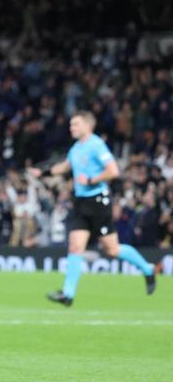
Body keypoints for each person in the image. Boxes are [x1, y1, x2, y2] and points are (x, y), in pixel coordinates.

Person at [30, 111, 157, 306]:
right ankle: (68, 294)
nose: (71, 128)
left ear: (87, 126)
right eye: (71, 125)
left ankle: (147, 270)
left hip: (98, 201)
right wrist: (43, 172)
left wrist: (91, 180)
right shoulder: (76, 148)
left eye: (75, 124)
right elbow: (64, 167)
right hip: (81, 202)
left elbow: (113, 171)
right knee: (75, 247)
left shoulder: (96, 145)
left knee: (112, 249)